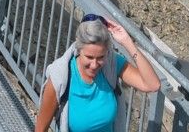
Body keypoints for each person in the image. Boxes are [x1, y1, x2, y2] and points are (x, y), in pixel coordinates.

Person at [28, 14, 166, 132]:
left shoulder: (112, 64)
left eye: (101, 57)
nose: (94, 65)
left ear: (108, 53)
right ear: (78, 49)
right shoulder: (61, 77)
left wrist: (127, 42)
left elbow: (152, 85)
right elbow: (41, 129)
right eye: (89, 57)